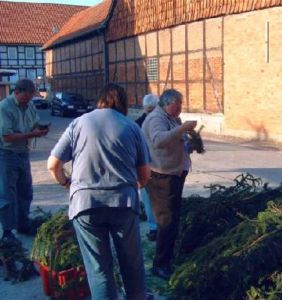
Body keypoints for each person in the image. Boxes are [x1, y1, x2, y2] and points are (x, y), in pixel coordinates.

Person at [47, 83, 151, 300]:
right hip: (123, 203)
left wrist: (67, 183)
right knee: (132, 263)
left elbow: (52, 164)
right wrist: (133, 188)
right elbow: (144, 175)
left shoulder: (78, 123)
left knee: (99, 270)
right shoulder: (132, 127)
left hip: (86, 205)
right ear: (122, 102)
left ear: (100, 101)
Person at [142, 89, 197, 279]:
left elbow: (176, 142)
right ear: (167, 103)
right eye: (177, 104)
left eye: (181, 104)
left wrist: (190, 145)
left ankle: (166, 259)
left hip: (173, 174)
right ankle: (159, 265)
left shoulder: (172, 119)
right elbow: (158, 140)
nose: (180, 107)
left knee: (171, 219)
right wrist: (182, 129)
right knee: (166, 221)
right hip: (161, 177)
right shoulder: (156, 118)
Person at [0, 78, 49, 243]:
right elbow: (7, 136)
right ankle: (7, 231)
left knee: (25, 192)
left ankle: (23, 224)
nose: (27, 101)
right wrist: (32, 134)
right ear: (16, 92)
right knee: (7, 195)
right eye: (25, 98)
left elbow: (34, 123)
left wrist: (41, 128)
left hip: (23, 153)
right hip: (6, 154)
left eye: (29, 98)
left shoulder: (30, 105)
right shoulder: (5, 107)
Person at [136, 94, 159, 241]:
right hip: (158, 165)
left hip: (144, 165)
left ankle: (153, 228)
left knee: (147, 197)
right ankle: (157, 227)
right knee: (156, 198)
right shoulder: (160, 121)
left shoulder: (137, 123)